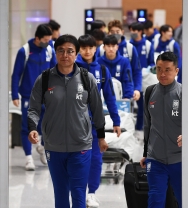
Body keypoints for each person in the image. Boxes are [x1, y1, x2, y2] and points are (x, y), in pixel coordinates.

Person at [28, 34, 107, 208]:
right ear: (55, 53)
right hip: (54, 146)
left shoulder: (87, 79)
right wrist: (32, 127)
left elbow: (97, 109)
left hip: (81, 145)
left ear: (76, 54)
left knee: (78, 193)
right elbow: (33, 108)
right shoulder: (45, 79)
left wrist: (101, 137)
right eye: (61, 51)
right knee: (61, 194)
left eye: (70, 51)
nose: (65, 55)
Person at [140, 52, 188, 208]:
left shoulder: (184, 93)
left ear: (176, 71)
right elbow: (147, 125)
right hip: (155, 159)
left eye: (167, 70)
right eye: (158, 69)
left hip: (180, 159)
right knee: (155, 200)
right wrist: (145, 153)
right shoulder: (150, 92)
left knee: (185, 200)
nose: (162, 74)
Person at [75, 34, 121, 207]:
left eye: (90, 48)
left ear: (95, 49)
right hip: (74, 123)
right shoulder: (72, 68)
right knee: (77, 159)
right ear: (80, 49)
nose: (87, 51)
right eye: (84, 48)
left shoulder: (102, 70)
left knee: (95, 159)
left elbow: (109, 97)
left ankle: (91, 193)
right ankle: (78, 192)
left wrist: (116, 121)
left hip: (95, 123)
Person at [11, 24, 57, 171]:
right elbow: (16, 74)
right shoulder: (24, 51)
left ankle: (42, 148)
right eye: (45, 40)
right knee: (26, 127)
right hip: (28, 96)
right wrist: (14, 94)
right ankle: (28, 158)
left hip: (47, 96)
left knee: (46, 126)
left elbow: (56, 71)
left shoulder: (49, 50)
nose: (48, 42)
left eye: (50, 40)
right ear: (37, 38)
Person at [97, 20, 141, 103]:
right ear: (108, 33)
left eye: (117, 31)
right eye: (112, 32)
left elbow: (136, 71)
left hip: (123, 94)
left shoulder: (130, 48)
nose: (115, 34)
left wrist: (137, 89)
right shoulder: (100, 50)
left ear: (122, 32)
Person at [129, 22, 155, 131]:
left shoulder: (148, 45)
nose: (132, 33)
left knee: (142, 105)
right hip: (129, 78)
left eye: (134, 30)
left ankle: (139, 127)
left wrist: (148, 69)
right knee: (127, 106)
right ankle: (128, 129)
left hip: (143, 79)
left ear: (140, 31)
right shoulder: (128, 45)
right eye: (131, 30)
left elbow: (152, 62)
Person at [97, 34, 134, 99]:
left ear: (117, 47)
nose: (111, 49)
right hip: (102, 99)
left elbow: (128, 80)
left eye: (113, 46)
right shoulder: (98, 62)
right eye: (108, 46)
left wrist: (127, 97)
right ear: (104, 47)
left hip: (121, 97)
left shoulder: (125, 61)